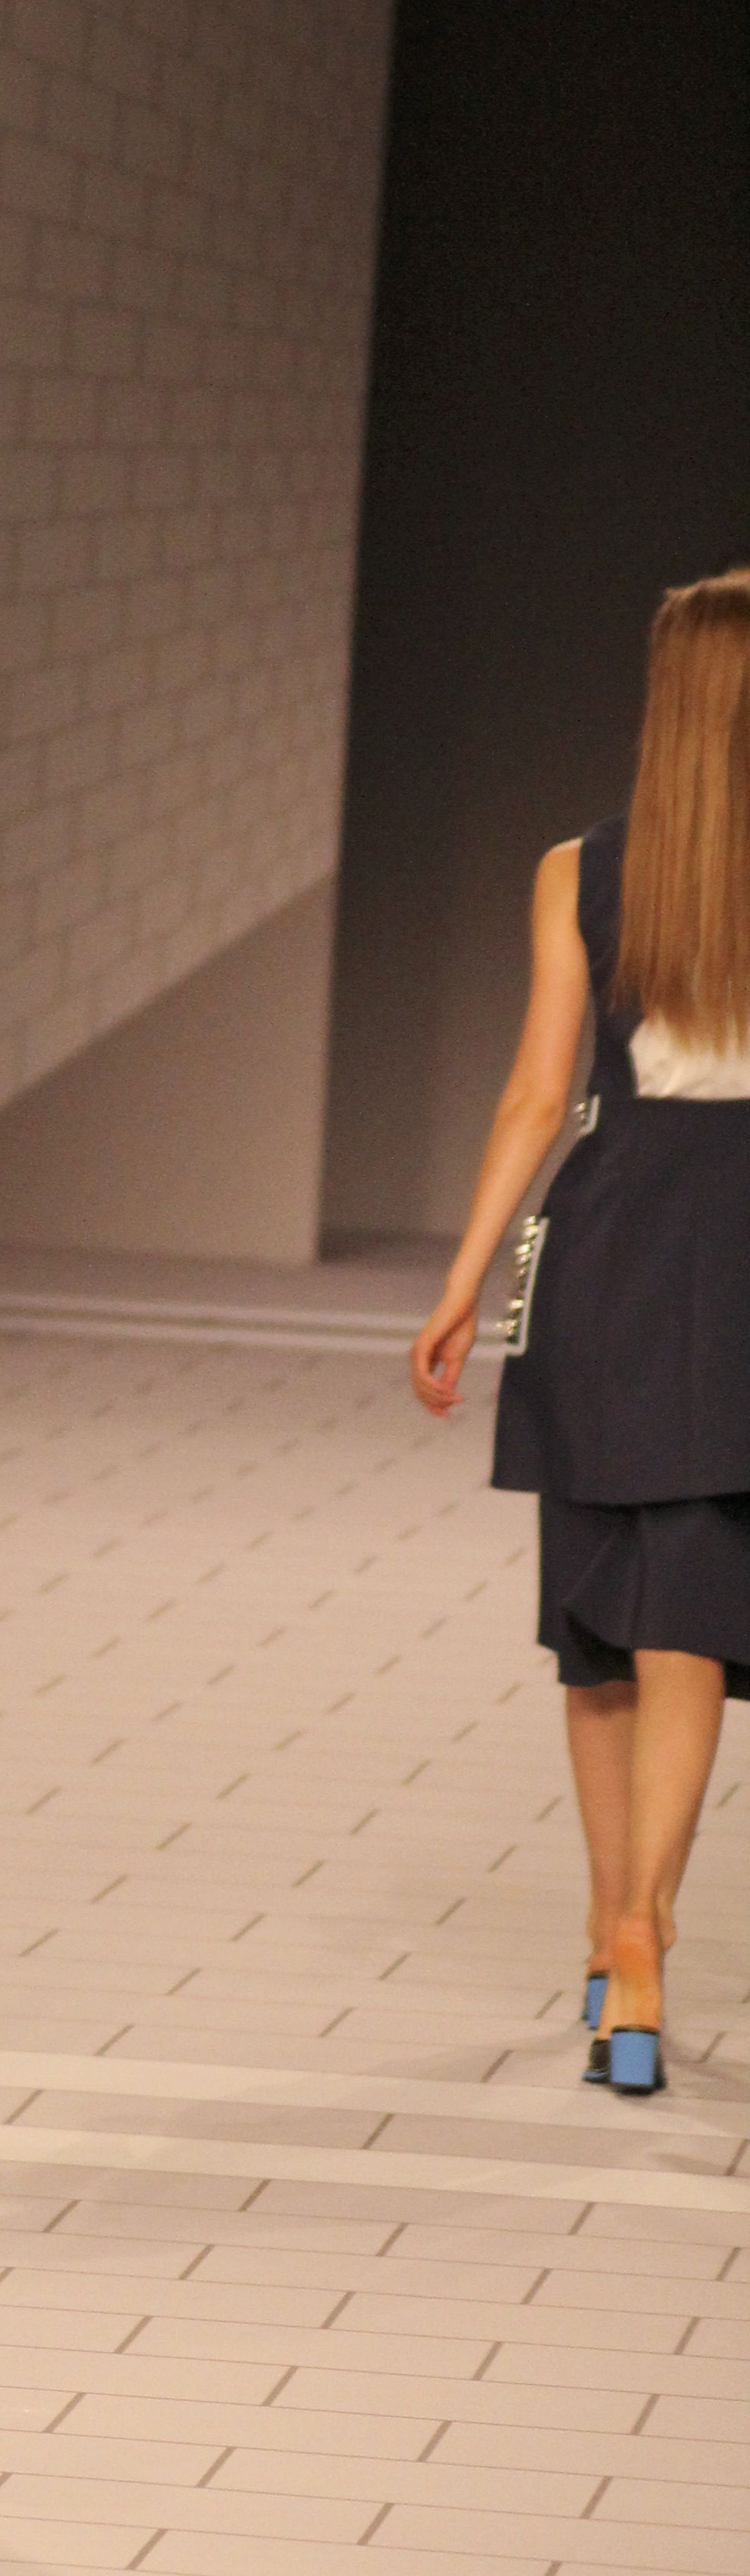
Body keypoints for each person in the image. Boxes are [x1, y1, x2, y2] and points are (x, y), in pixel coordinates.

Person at [412, 572, 750, 2098]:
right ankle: (643, 1930)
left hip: (610, 1241)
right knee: (692, 1609)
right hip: (734, 1257)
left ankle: (616, 1935)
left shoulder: (580, 869)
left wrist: (464, 1277)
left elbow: (536, 1095)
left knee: (599, 1617)